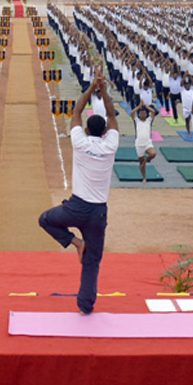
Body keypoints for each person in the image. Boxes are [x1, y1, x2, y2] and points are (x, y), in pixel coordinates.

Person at [37, 73, 119, 315]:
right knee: (92, 261)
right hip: (97, 213)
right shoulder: (110, 144)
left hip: (76, 207)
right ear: (105, 131)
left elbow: (75, 111)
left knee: (45, 220)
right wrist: (102, 91)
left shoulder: (80, 142)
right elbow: (113, 115)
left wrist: (92, 87)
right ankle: (85, 306)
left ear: (85, 129)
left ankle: (74, 242)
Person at [132, 101, 157, 182]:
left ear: (146, 114)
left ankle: (146, 161)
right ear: (139, 115)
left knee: (153, 153)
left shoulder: (149, 120)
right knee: (141, 163)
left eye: (144, 113)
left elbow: (153, 112)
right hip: (139, 144)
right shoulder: (137, 121)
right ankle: (144, 177)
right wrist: (139, 106)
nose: (143, 115)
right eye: (141, 113)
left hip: (147, 143)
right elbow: (132, 112)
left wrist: (145, 106)